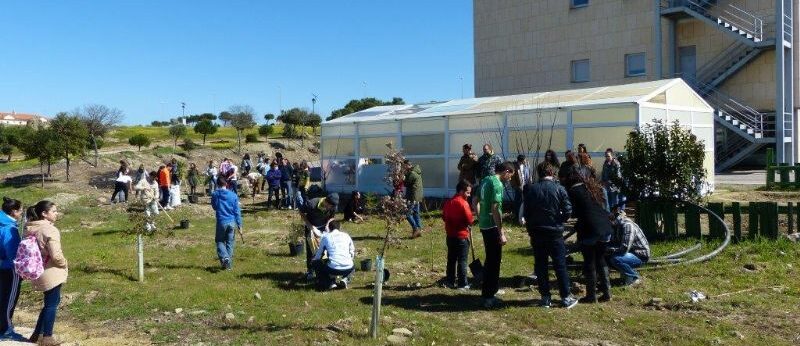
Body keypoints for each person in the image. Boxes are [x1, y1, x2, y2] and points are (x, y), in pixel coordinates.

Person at [519, 164, 577, 309]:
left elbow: (526, 211)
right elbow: (568, 211)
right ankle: (565, 297)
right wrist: (560, 221)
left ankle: (545, 297)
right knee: (560, 265)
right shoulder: (559, 189)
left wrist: (531, 225)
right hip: (554, 232)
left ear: (539, 173)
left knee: (541, 265)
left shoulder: (531, 189)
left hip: (537, 232)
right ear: (552, 172)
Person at [566, 170, 613, 303]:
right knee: (600, 259)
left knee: (589, 262)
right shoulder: (595, 188)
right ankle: (607, 293)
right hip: (605, 228)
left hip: (589, 229)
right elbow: (604, 208)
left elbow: (573, 212)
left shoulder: (574, 192)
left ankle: (591, 296)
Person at [25, 201, 68, 345]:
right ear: (44, 213)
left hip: (38, 268)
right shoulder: (50, 230)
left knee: (49, 303)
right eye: (54, 211)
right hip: (51, 271)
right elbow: (56, 255)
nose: (56, 213)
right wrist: (64, 263)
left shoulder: (31, 228)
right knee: (52, 305)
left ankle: (36, 335)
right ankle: (47, 337)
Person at [475, 162, 515, 308]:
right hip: (492, 226)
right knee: (494, 261)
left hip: (485, 225)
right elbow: (496, 208)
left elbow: (475, 201)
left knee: (490, 259)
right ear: (506, 171)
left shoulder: (485, 180)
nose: (510, 179)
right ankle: (488, 296)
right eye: (510, 175)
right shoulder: (497, 184)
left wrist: (481, 218)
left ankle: (491, 290)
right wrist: (501, 232)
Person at [441, 180, 473, 290]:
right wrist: (467, 224)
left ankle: (450, 281)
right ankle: (462, 283)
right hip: (461, 236)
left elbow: (444, 217)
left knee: (451, 259)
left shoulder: (449, 202)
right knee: (462, 260)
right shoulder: (463, 203)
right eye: (467, 193)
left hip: (450, 236)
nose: (469, 195)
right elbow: (469, 219)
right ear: (461, 191)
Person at [299, 193, 339, 280]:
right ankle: (310, 271)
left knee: (326, 248)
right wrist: (310, 226)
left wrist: (328, 225)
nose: (330, 209)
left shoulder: (333, 206)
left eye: (332, 207)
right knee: (311, 249)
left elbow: (332, 217)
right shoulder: (312, 203)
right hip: (311, 227)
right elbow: (301, 212)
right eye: (329, 206)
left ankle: (325, 269)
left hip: (324, 228)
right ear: (326, 202)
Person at [0, 198, 23, 340]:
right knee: (9, 299)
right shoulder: (10, 228)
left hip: (1, 265)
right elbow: (12, 252)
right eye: (20, 211)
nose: (21, 213)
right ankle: (7, 329)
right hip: (10, 268)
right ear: (14, 212)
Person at [607, 211, 650, 286]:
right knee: (606, 257)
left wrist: (609, 250)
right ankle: (626, 275)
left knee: (615, 259)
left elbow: (624, 248)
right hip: (630, 253)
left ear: (611, 221)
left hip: (640, 256)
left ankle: (634, 277)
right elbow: (613, 242)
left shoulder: (627, 225)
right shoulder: (616, 226)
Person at [311, 220, 355, 290]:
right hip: (348, 267)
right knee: (352, 264)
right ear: (339, 227)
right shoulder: (346, 235)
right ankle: (345, 279)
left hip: (333, 268)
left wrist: (314, 260)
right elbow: (352, 251)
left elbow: (319, 254)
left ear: (329, 228)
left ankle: (329, 282)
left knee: (316, 263)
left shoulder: (326, 237)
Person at [211, 176, 243, 270]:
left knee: (219, 241)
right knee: (230, 242)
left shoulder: (215, 194)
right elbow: (237, 211)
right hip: (232, 222)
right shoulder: (233, 195)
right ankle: (228, 265)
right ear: (226, 184)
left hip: (221, 221)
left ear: (217, 184)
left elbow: (214, 207)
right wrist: (240, 225)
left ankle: (225, 258)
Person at [403, 160, 424, 238]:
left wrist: (403, 176)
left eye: (404, 166)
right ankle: (419, 230)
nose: (403, 168)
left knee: (407, 214)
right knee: (416, 213)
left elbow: (405, 183)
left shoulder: (412, 173)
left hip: (413, 196)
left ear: (408, 165)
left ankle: (415, 229)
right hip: (417, 196)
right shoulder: (416, 171)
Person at [510, 154, 530, 223]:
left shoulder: (526, 165)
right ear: (521, 160)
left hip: (526, 185)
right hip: (518, 186)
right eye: (524, 160)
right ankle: (517, 215)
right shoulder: (514, 166)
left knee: (525, 201)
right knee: (518, 201)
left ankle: (523, 215)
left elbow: (528, 174)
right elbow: (512, 178)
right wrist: (516, 186)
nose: (525, 161)